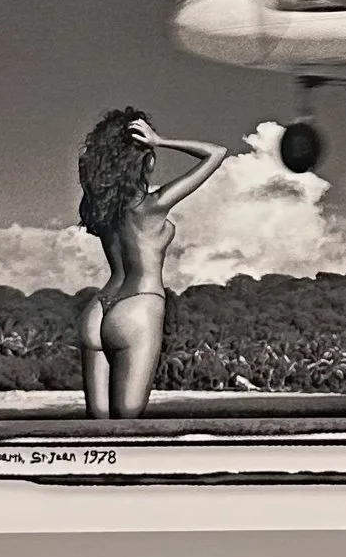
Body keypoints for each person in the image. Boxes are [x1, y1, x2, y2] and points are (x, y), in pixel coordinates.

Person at [72, 107, 230, 419]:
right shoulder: (152, 206)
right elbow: (216, 153)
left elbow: (87, 168)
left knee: (96, 431)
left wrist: (109, 149)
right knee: (127, 428)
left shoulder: (98, 207)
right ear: (147, 160)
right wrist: (159, 140)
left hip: (98, 308)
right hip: (138, 306)